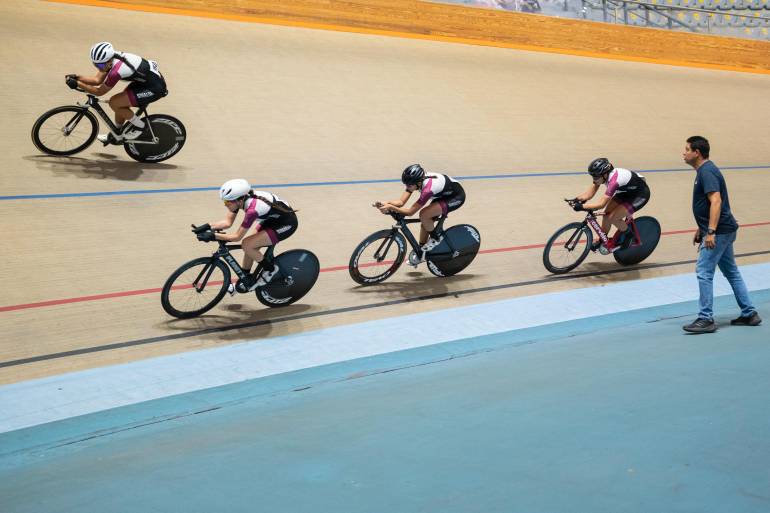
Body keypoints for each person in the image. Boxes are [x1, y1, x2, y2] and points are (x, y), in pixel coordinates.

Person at [682, 136, 761, 333]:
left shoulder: (707, 172)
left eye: (687, 149)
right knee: (731, 272)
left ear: (697, 153)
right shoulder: (705, 170)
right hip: (724, 230)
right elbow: (710, 204)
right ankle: (749, 313)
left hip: (719, 233)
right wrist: (702, 228)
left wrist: (710, 231)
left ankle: (706, 319)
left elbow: (716, 201)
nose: (683, 153)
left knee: (703, 272)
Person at [198, 179, 298, 293]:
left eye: (227, 202)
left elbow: (237, 237)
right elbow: (227, 223)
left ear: (239, 201)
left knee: (247, 244)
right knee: (250, 246)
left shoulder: (252, 210)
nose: (225, 205)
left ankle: (270, 269)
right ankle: (245, 279)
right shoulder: (239, 200)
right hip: (272, 220)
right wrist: (207, 226)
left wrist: (213, 236)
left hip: (286, 224)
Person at [65, 42, 167, 144]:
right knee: (119, 103)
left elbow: (99, 91)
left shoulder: (116, 71)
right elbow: (97, 80)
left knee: (115, 102)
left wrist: (78, 83)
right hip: (144, 82)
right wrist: (77, 77)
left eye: (100, 65)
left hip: (155, 88)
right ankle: (117, 133)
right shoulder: (109, 60)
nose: (98, 68)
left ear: (109, 61)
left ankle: (140, 127)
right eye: (95, 64)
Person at [375, 164, 465, 265]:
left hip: (456, 197)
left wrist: (390, 207)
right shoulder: (415, 182)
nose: (407, 187)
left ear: (418, 183)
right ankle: (421, 252)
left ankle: (436, 239)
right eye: (406, 184)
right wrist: (386, 203)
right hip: (443, 195)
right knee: (425, 223)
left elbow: (410, 212)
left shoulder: (427, 190)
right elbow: (400, 202)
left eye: (409, 185)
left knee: (424, 215)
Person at [573, 157, 650, 252]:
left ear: (605, 174)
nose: (594, 179)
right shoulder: (602, 176)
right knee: (606, 214)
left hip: (639, 195)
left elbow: (601, 204)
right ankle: (602, 240)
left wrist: (581, 207)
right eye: (593, 176)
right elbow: (590, 194)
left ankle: (629, 236)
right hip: (626, 192)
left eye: (596, 177)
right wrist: (577, 199)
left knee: (613, 218)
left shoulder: (614, 182)